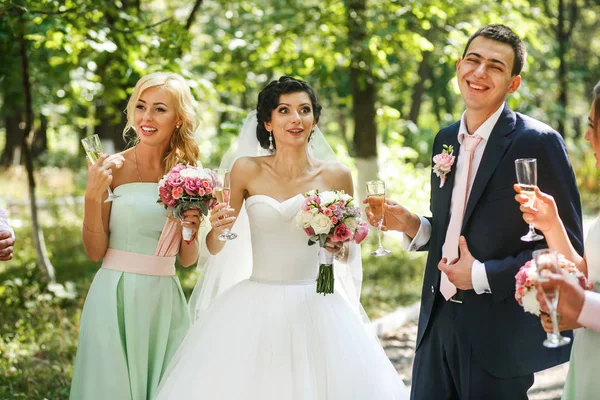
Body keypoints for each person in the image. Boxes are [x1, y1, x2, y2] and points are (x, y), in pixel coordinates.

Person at [154, 76, 409, 399]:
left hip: (318, 302)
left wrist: (337, 247)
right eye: (284, 110)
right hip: (254, 303)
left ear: (314, 119)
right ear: (268, 122)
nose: (296, 119)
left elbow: (346, 252)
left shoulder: (336, 175)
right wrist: (216, 230)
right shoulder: (246, 170)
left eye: (304, 110)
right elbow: (216, 246)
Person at [366, 25, 583, 399]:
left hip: (498, 335)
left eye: (495, 66)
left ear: (513, 84)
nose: (479, 72)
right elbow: (457, 228)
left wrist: (481, 275)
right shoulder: (444, 139)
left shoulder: (538, 142)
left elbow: (564, 252)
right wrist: (413, 225)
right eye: (473, 60)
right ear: (458, 67)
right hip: (436, 325)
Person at [70, 72, 202, 400]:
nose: (146, 117)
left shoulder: (189, 174)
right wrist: (92, 196)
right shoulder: (110, 168)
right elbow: (94, 251)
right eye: (141, 106)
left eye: (159, 109)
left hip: (164, 299)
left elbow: (188, 259)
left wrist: (191, 225)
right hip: (115, 293)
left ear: (178, 119)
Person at [515, 81, 600, 399]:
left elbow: (585, 299)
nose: (587, 136)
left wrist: (579, 308)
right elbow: (587, 276)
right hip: (590, 358)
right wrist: (551, 225)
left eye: (593, 126)